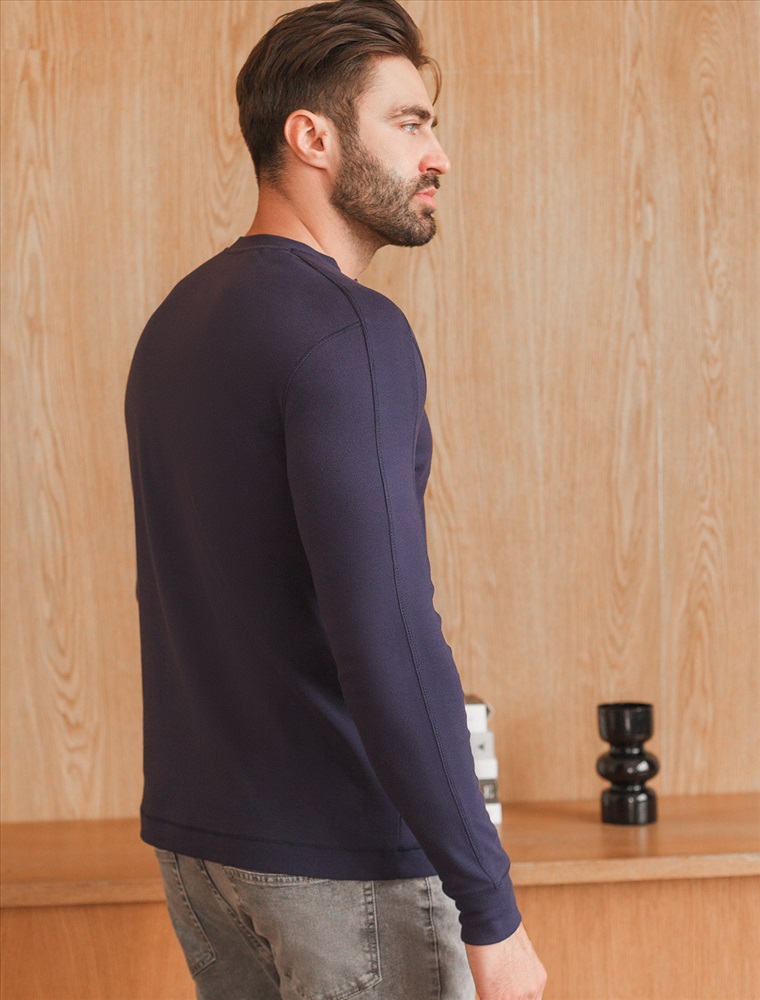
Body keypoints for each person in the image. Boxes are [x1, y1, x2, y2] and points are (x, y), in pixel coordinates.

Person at [125, 1, 546, 998]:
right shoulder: (350, 331)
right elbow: (389, 632)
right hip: (345, 864)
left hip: (204, 849)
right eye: (408, 122)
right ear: (312, 137)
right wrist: (491, 910)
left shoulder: (176, 324)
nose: (438, 156)